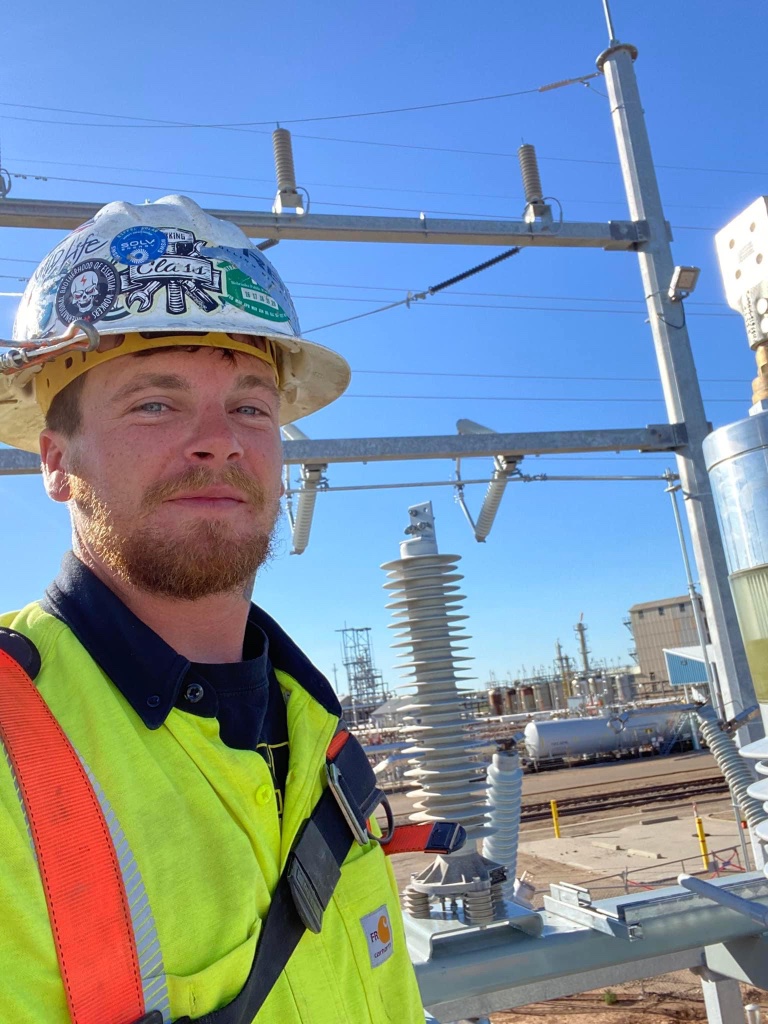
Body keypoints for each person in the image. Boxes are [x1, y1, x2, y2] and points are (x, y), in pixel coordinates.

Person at [0, 195, 426, 1023]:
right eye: (154, 403)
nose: (219, 440)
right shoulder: (12, 741)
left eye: (251, 407)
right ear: (56, 461)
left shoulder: (320, 743)